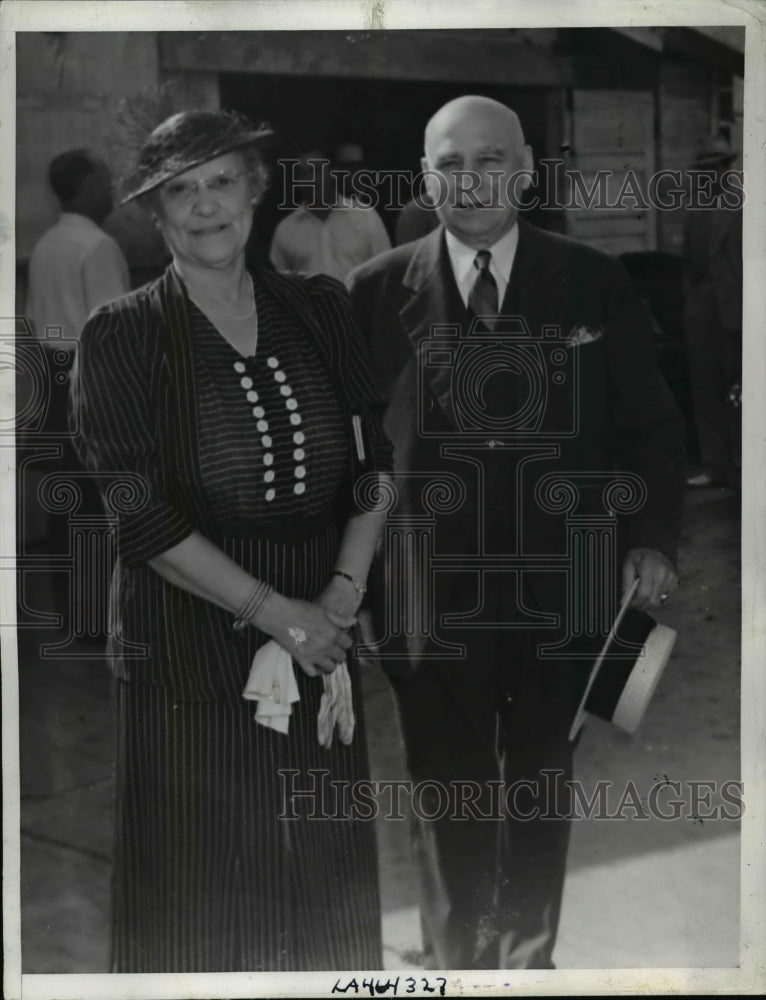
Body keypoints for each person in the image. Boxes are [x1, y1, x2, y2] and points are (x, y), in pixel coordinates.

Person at [347, 95, 686, 969]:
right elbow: (348, 452)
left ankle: (530, 965)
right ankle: (459, 962)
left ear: (526, 169)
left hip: (565, 587)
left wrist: (649, 536)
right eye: (451, 164)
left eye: (490, 160)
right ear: (426, 177)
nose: (471, 181)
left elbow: (648, 424)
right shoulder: (376, 292)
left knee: (539, 783)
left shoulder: (592, 281)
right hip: (426, 596)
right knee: (447, 792)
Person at [69, 108, 393, 972]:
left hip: (320, 637)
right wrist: (276, 614)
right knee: (202, 900)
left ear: (256, 191)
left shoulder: (320, 308)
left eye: (222, 182)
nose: (205, 207)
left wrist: (339, 599)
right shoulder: (123, 335)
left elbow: (375, 473)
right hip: (187, 651)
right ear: (155, 212)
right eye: (181, 190)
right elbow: (143, 518)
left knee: (321, 890)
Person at [682, 134, 743, 488]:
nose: (706, 177)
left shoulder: (743, 206)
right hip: (701, 307)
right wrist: (691, 301)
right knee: (704, 387)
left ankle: (742, 461)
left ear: (725, 169)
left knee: (738, 391)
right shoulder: (695, 209)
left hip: (734, 307)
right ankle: (713, 464)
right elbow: (689, 263)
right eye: (701, 171)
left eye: (713, 169)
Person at [27, 148, 129, 347]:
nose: (113, 189)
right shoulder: (98, 245)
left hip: (51, 370)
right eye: (106, 181)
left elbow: (32, 319)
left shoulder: (44, 244)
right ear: (89, 186)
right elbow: (112, 328)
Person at [270, 148, 391, 281]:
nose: (309, 179)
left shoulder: (365, 217)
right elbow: (279, 287)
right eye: (302, 174)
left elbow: (388, 271)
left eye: (315, 171)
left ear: (331, 172)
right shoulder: (286, 230)